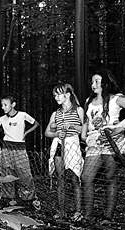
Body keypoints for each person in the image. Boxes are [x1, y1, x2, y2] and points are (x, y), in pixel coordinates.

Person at [81, 70, 125, 224]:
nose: (93, 85)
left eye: (97, 81)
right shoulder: (88, 100)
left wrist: (120, 127)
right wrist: (84, 133)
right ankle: (87, 216)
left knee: (110, 178)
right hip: (94, 142)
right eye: (92, 82)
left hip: (112, 141)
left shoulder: (116, 99)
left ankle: (108, 217)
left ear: (106, 83)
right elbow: (87, 121)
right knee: (86, 178)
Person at [0, 95, 39, 203]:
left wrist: (26, 132)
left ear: (13, 105)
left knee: (24, 173)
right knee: (7, 173)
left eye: (5, 105)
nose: (3, 107)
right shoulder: (2, 119)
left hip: (20, 148)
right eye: (2, 105)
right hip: (6, 148)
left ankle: (28, 199)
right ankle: (7, 199)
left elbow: (36, 123)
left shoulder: (23, 115)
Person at [44, 83, 84, 220]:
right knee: (60, 179)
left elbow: (84, 130)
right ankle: (62, 211)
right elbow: (47, 132)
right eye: (54, 95)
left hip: (73, 144)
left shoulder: (78, 110)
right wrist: (56, 134)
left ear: (67, 95)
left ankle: (78, 211)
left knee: (75, 178)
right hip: (59, 146)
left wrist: (72, 125)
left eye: (58, 94)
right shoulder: (55, 113)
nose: (55, 97)